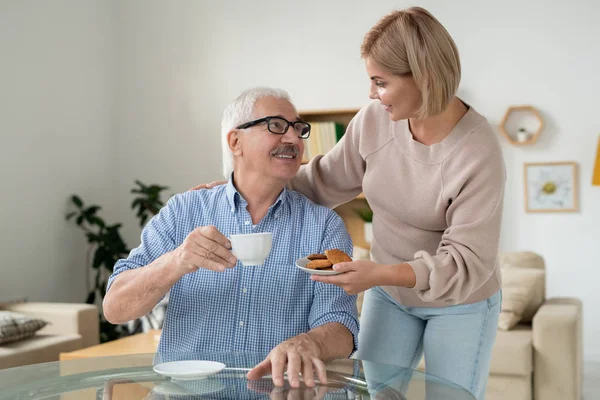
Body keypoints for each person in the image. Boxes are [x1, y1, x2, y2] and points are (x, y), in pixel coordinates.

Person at [192, 7, 504, 400]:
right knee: (370, 394)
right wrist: (240, 187)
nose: (372, 93)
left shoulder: (478, 150)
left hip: (461, 299)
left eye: (380, 82)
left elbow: (465, 262)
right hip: (391, 297)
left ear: (423, 77)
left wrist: (377, 274)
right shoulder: (376, 119)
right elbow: (322, 180)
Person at [103, 87, 359, 389]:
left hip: (278, 394)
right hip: (184, 396)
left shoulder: (323, 226)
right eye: (276, 126)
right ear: (235, 141)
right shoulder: (183, 211)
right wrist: (177, 261)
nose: (292, 139)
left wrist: (310, 342)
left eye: (298, 128)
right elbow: (115, 308)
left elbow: (341, 325)